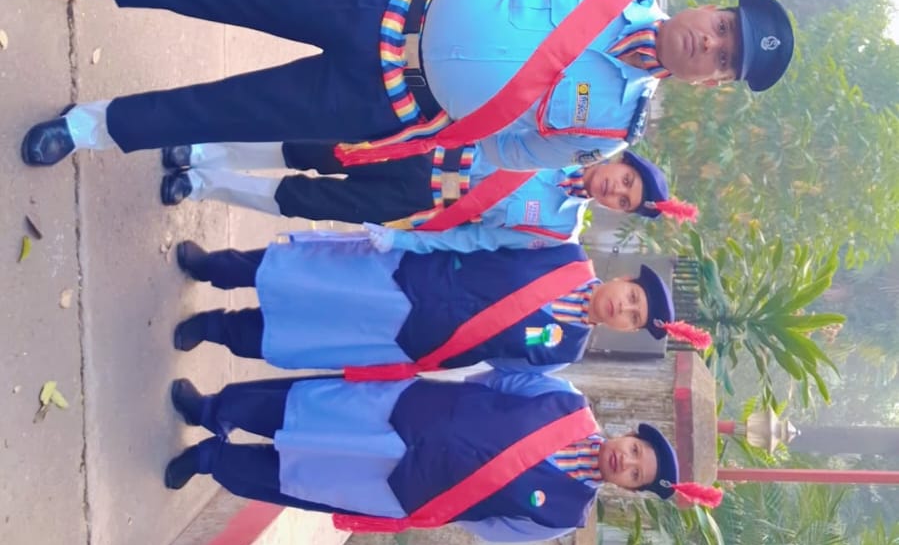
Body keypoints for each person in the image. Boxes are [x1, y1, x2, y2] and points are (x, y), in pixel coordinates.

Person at [19, 0, 794, 171]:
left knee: (232, 110)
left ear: (711, 83)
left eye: (722, 59)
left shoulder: (609, 132)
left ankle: (89, 127)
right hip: (386, 0)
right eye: (723, 27)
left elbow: (513, 151)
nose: (709, 44)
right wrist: (466, 17)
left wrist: (456, 86)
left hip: (387, 99)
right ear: (709, 6)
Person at [162, 366, 721, 540]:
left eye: (636, 473)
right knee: (309, 406)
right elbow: (499, 380)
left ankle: (211, 461)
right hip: (409, 409)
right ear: (628, 436)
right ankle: (214, 410)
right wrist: (442, 402)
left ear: (627, 487)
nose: (627, 461)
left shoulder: (564, 514)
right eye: (635, 451)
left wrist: (448, 497)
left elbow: (496, 529)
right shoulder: (567, 402)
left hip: (407, 488)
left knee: (303, 478)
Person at [168, 232, 711, 373]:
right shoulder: (561, 252)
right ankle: (212, 268)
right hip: (409, 275)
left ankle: (216, 328)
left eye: (634, 318)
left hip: (411, 340)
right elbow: (484, 237)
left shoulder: (566, 349)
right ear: (623, 279)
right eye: (633, 297)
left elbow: (498, 365)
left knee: (308, 337)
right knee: (305, 274)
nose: (625, 309)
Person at [160, 139, 696, 255]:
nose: (616, 191)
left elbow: (476, 239)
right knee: (308, 147)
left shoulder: (558, 229)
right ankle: (205, 152)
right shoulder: (564, 144)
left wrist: (403, 242)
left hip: (416, 206)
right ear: (621, 162)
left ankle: (203, 185)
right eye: (626, 181)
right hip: (418, 148)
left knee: (304, 199)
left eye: (624, 202)